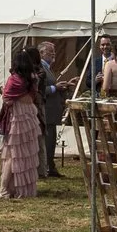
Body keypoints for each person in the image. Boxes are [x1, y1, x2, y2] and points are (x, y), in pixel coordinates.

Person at [0, 46, 42, 199]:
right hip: (29, 117)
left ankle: (4, 189)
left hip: (17, 118)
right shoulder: (32, 78)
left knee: (11, 155)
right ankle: (18, 188)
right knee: (24, 155)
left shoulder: (14, 79)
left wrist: (4, 93)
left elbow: (7, 98)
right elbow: (31, 97)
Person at [34, 40, 66, 178]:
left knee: (51, 140)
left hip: (52, 109)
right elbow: (39, 89)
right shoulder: (40, 68)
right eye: (50, 51)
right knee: (48, 140)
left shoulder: (48, 68)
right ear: (41, 53)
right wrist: (55, 88)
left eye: (54, 51)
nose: (53, 54)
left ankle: (50, 165)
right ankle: (47, 166)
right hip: (46, 109)